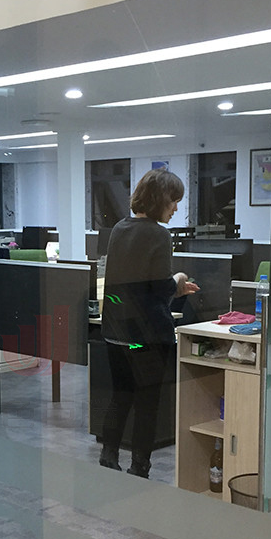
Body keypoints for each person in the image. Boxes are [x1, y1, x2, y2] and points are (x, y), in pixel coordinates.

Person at [99, 168, 198, 478]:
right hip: (146, 338)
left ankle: (108, 455)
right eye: (173, 200)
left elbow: (130, 283)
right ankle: (139, 467)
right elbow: (159, 287)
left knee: (120, 395)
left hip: (117, 334)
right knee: (147, 403)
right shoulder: (158, 234)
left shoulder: (119, 228)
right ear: (159, 199)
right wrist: (178, 280)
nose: (176, 208)